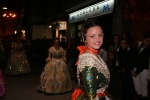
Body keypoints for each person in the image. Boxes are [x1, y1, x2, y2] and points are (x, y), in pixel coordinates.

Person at [71, 18, 111, 100]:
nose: (97, 39)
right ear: (84, 38)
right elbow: (91, 96)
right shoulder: (88, 61)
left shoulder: (94, 54)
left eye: (100, 35)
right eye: (92, 36)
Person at [131, 30, 150, 100]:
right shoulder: (139, 46)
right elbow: (133, 57)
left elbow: (145, 62)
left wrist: (136, 71)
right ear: (143, 39)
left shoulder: (148, 50)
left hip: (143, 70)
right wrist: (132, 69)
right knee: (137, 88)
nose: (147, 42)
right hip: (135, 69)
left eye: (149, 41)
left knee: (143, 89)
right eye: (146, 40)